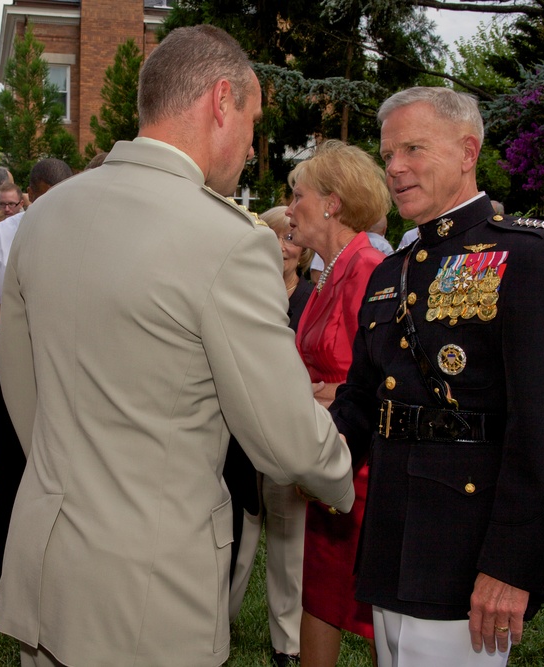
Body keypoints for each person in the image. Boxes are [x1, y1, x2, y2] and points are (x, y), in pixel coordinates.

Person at [0, 25, 355, 667]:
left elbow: (20, 384)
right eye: (252, 119)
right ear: (222, 101)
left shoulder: (44, 215)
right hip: (150, 586)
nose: (251, 143)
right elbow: (282, 435)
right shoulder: (229, 239)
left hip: (48, 559)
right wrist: (341, 474)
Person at [332, 86, 544, 666]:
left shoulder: (529, 255)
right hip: (390, 547)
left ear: (466, 151)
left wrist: (512, 566)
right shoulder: (390, 273)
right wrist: (299, 456)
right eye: (387, 155)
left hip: (467, 564)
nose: (395, 168)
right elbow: (360, 402)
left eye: (412, 148)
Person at [285, 139, 391, 667]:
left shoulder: (369, 268)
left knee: (374, 612)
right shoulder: (325, 272)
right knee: (319, 594)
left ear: (332, 201)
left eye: (297, 194)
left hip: (365, 468)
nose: (289, 207)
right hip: (328, 459)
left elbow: (376, 375)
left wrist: (322, 392)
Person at [0, 159, 72, 574]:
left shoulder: (91, 233)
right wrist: (17, 314)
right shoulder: (3, 236)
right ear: (29, 198)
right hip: (17, 360)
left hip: (75, 365)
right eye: (44, 202)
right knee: (13, 461)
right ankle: (15, 562)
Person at [226, 206, 315, 667]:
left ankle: (288, 643)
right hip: (239, 434)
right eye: (275, 236)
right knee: (238, 530)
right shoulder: (241, 291)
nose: (283, 246)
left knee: (288, 539)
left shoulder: (313, 298)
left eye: (291, 238)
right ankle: (220, 621)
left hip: (287, 432)